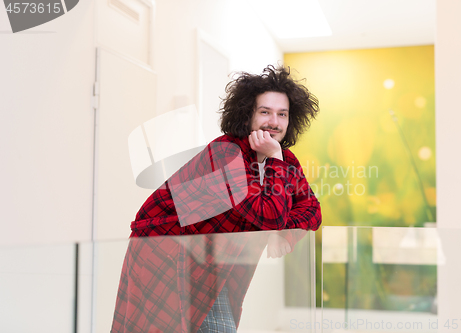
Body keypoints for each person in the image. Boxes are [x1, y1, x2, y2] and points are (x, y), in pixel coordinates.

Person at [111, 65, 322, 333]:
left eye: (282, 114)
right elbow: (269, 216)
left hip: (213, 263)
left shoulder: (285, 159)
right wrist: (276, 161)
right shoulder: (227, 153)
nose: (274, 122)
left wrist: (285, 235)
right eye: (265, 112)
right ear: (247, 116)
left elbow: (312, 210)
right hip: (167, 252)